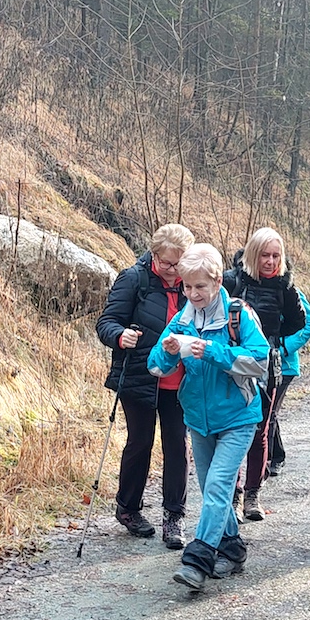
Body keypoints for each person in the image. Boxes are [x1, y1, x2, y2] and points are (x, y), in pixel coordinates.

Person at [148, 243, 269, 591]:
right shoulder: (182, 318)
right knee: (211, 488)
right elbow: (155, 365)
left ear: (216, 282)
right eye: (187, 286)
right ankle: (232, 548)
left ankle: (197, 560)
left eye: (200, 286)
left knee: (217, 486)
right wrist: (170, 353)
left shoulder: (238, 315)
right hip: (198, 420)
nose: (193, 293)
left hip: (238, 417)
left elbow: (259, 360)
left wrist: (214, 351)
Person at [95, 223, 195, 549]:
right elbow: (107, 322)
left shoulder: (193, 283)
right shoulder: (133, 279)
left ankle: (174, 517)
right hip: (139, 375)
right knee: (140, 443)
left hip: (181, 381)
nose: (172, 270)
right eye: (166, 263)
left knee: (177, 447)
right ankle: (128, 509)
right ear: (154, 255)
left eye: (178, 263)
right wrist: (119, 336)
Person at [222, 228, 306, 520]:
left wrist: (274, 341)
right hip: (233, 364)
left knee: (261, 428)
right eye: (265, 255)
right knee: (232, 429)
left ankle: (252, 494)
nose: (270, 261)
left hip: (268, 364)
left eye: (276, 255)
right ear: (253, 255)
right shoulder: (232, 280)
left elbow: (298, 322)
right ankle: (231, 494)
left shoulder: (285, 286)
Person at [267, 289, 310, 477]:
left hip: (284, 365)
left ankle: (267, 461)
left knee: (269, 412)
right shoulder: (247, 287)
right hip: (256, 362)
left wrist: (283, 348)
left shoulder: (288, 290)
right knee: (266, 411)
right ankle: (277, 455)